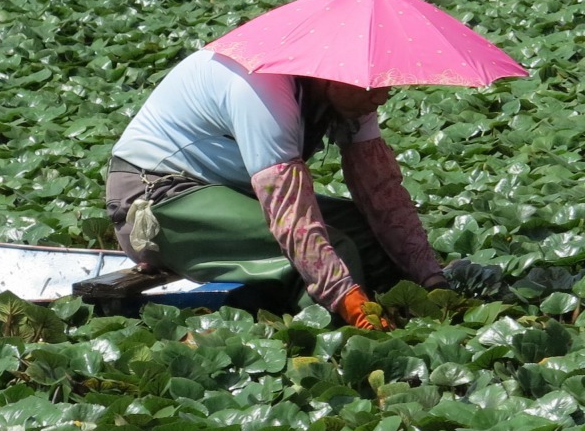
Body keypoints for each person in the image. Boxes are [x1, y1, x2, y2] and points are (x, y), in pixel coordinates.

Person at [106, 47, 448, 328]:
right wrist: (346, 300)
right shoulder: (262, 89)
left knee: (365, 233)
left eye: (387, 83)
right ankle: (334, 343)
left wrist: (430, 278)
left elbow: (381, 193)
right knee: (331, 247)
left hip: (234, 192)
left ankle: (398, 316)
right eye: (375, 85)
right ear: (332, 73)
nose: (384, 95)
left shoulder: (355, 92)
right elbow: (292, 216)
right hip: (156, 199)